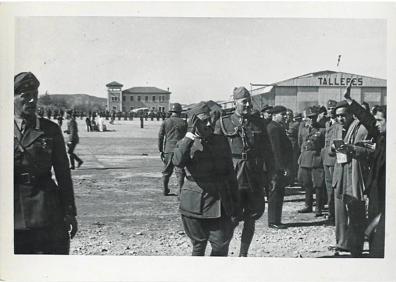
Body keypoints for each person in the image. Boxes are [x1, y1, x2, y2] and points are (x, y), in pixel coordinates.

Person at [14, 72, 78, 254]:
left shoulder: (50, 129)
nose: (32, 101)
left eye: (35, 96)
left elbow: (63, 173)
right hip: (11, 212)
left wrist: (69, 211)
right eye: (25, 96)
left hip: (46, 211)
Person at [172, 102, 241, 256]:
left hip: (219, 202)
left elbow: (230, 173)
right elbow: (177, 161)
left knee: (221, 244)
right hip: (194, 204)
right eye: (203, 121)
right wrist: (189, 136)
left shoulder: (220, 141)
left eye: (209, 119)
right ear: (193, 123)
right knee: (198, 245)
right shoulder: (185, 143)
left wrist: (236, 203)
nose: (209, 123)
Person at [215, 87, 272, 256]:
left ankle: (243, 254)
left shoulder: (259, 123)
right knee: (230, 217)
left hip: (253, 174)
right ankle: (222, 250)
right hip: (233, 174)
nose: (248, 104)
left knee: (251, 215)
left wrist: (269, 175)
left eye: (249, 100)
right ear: (235, 103)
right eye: (244, 101)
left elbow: (267, 151)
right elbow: (216, 152)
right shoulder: (224, 122)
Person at [344, 87, 386, 258]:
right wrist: (349, 100)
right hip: (376, 192)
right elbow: (368, 119)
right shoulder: (382, 135)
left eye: (380, 120)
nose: (375, 124)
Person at [330, 99, 372, 257]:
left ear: (351, 114)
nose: (340, 119)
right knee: (339, 212)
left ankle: (355, 245)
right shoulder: (336, 128)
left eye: (343, 115)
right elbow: (328, 148)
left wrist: (351, 148)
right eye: (337, 116)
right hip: (340, 173)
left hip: (354, 173)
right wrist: (333, 148)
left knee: (356, 212)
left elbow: (368, 151)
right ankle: (342, 243)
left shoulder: (362, 128)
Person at [266, 105, 293, 229]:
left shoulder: (276, 127)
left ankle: (276, 220)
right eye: (282, 114)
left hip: (277, 167)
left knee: (278, 192)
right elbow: (276, 150)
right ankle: (273, 221)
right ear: (274, 115)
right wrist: (282, 167)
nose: (285, 116)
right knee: (275, 193)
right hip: (276, 168)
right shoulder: (274, 128)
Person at [297, 106, 326, 216]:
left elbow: (323, 144)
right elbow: (300, 143)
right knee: (307, 183)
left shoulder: (321, 129)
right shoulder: (303, 128)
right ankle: (308, 205)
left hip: (316, 158)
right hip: (305, 158)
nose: (311, 120)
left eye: (313, 117)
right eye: (309, 117)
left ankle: (318, 208)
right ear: (305, 118)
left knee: (318, 185)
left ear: (317, 117)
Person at [158, 103, 187, 196]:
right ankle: (180, 190)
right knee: (180, 171)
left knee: (166, 171)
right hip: (180, 150)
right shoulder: (184, 122)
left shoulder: (165, 122)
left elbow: (160, 137)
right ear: (180, 112)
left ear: (171, 112)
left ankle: (165, 189)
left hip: (168, 149)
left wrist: (161, 150)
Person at [321, 99, 340, 224]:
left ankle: (334, 216)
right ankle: (331, 214)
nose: (330, 111)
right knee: (328, 189)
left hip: (334, 159)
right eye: (329, 109)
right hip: (326, 160)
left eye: (333, 109)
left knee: (334, 189)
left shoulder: (339, 125)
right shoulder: (327, 124)